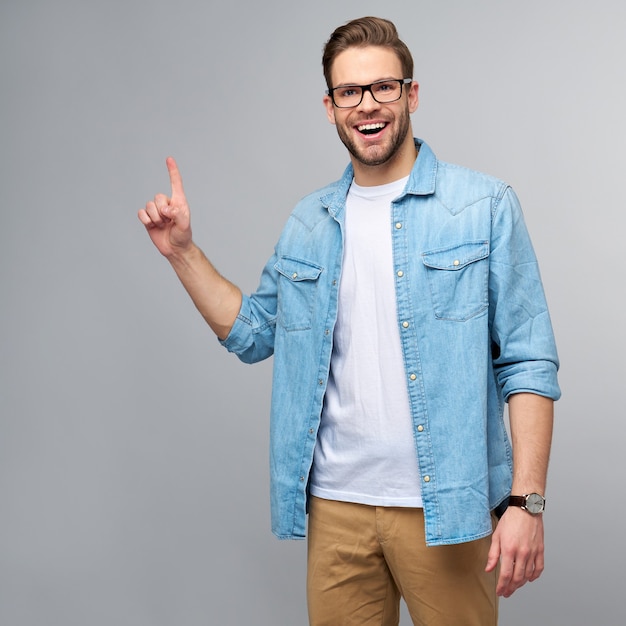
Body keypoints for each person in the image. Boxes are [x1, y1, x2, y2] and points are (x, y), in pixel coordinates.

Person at [138, 16, 560, 626]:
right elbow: (254, 333)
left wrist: (526, 501)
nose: (368, 105)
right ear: (331, 107)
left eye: (384, 87)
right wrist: (182, 252)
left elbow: (528, 360)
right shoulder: (309, 222)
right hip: (335, 510)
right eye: (350, 92)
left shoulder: (483, 207)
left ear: (411, 95)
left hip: (448, 507)